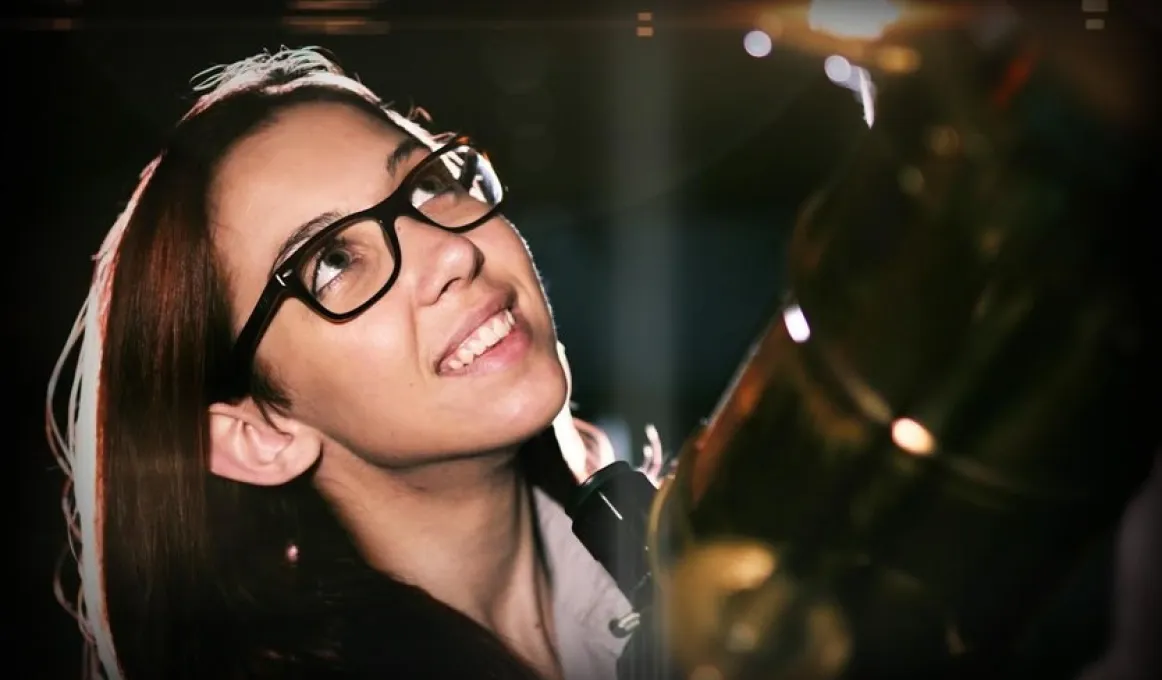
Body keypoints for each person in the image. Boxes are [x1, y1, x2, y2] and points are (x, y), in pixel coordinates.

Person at [46, 47, 648, 680]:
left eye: (428, 186)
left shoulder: (696, 550)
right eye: (332, 261)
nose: (451, 253)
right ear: (257, 436)